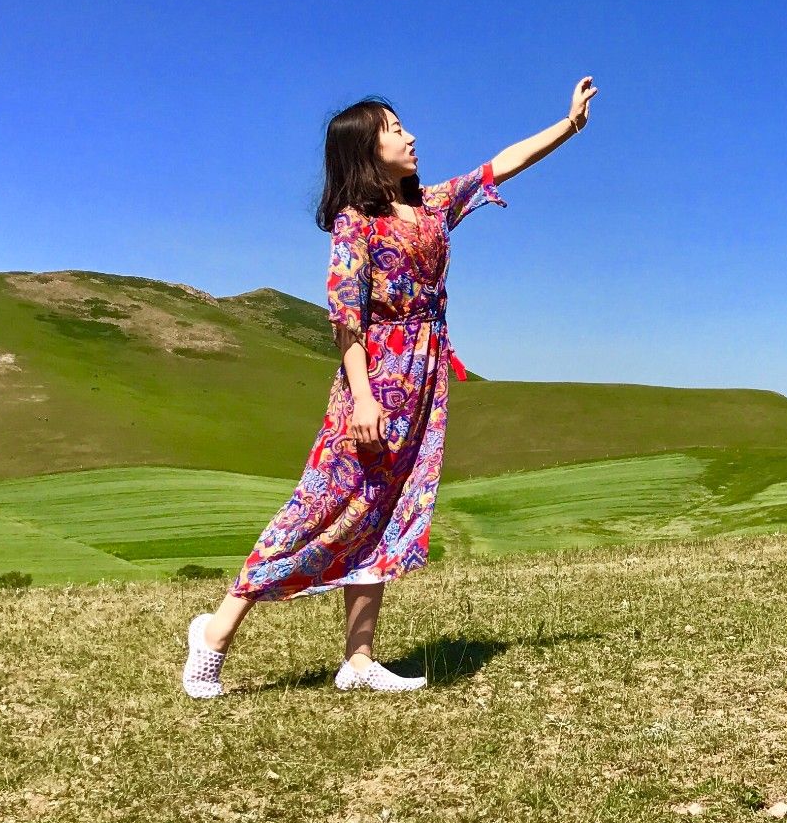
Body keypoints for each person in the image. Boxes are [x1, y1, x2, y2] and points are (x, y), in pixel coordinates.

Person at [181, 77, 599, 697]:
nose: (411, 137)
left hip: (425, 380)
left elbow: (500, 165)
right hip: (374, 381)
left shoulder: (430, 207)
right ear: (367, 150)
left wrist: (568, 126)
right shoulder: (355, 224)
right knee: (319, 506)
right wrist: (364, 398)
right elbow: (346, 317)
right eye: (396, 130)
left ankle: (358, 660)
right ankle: (214, 633)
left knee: (385, 511)